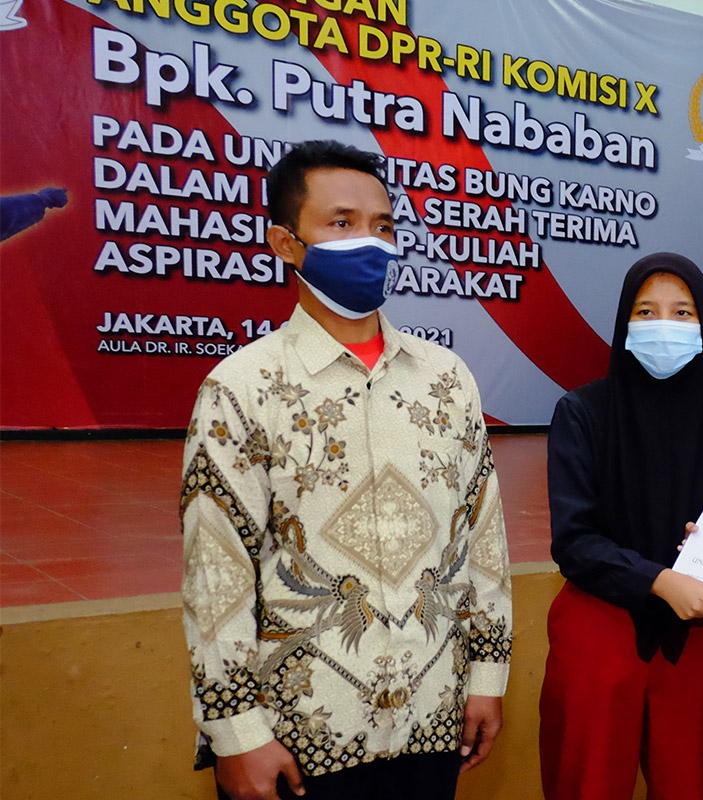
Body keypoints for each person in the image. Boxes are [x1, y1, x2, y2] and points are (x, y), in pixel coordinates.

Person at [179, 140, 512, 800]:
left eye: (383, 226)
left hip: (433, 718)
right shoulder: (241, 388)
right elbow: (215, 573)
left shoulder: (447, 380)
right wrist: (237, 733)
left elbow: (484, 538)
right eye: (342, 222)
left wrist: (487, 676)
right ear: (286, 243)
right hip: (299, 737)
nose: (371, 242)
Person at [540, 254, 703, 800]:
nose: (664, 325)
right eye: (646, 311)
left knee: (692, 783)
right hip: (599, 630)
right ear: (624, 322)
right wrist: (658, 579)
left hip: (699, 634)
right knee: (588, 784)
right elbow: (574, 541)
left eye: (682, 312)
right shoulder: (583, 412)